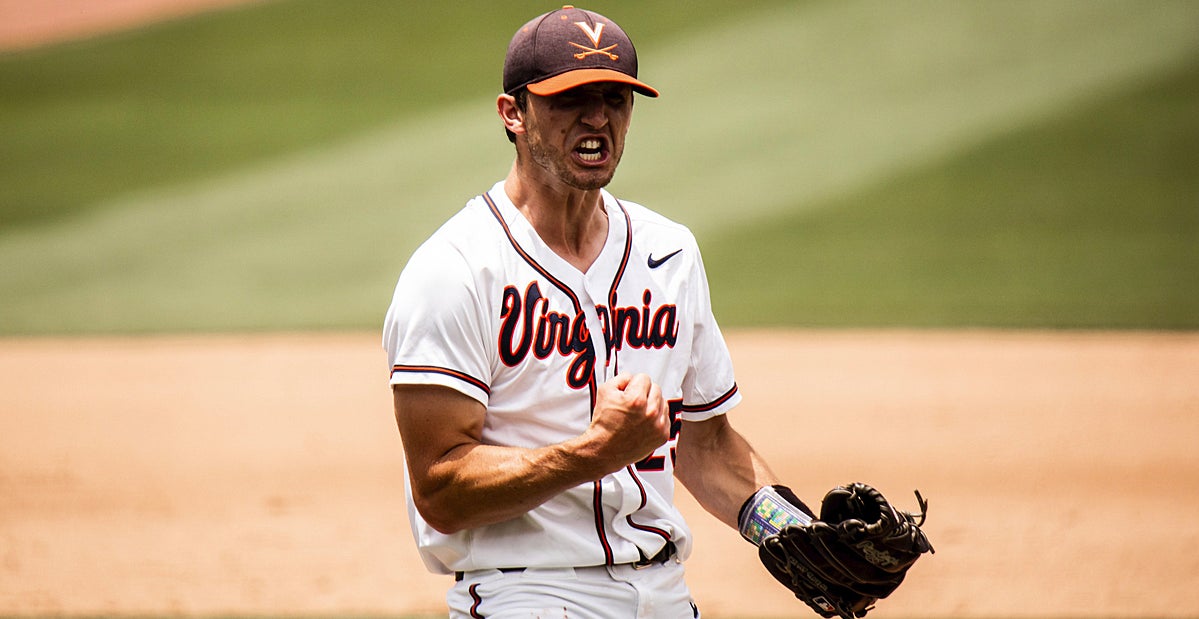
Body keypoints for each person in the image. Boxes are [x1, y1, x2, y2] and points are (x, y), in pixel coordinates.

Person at [383, 6, 814, 618]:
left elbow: (705, 440)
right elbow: (441, 488)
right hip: (526, 593)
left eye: (616, 98)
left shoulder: (670, 252)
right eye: (571, 99)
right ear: (514, 114)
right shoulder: (454, 269)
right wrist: (593, 454)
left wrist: (787, 529)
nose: (597, 118)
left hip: (664, 593)